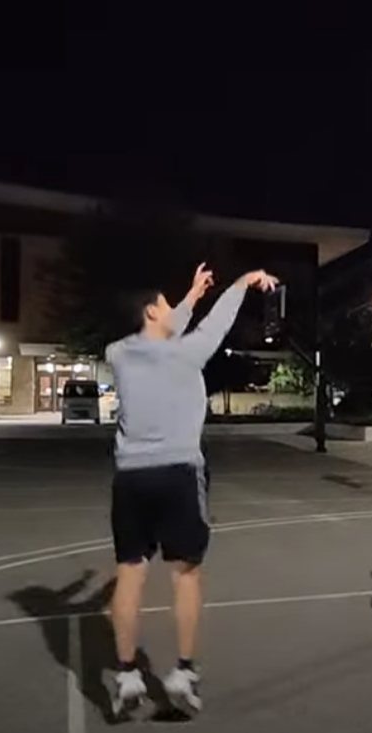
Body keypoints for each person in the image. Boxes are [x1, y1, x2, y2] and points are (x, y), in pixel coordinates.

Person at [105, 264, 279, 719]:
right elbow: (215, 324)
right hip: (178, 473)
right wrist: (242, 283)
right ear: (149, 311)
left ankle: (126, 674)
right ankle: (182, 670)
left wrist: (189, 295)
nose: (171, 310)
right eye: (163, 304)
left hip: (130, 479)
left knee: (129, 574)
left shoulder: (118, 353)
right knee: (185, 576)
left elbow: (168, 328)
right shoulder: (186, 354)